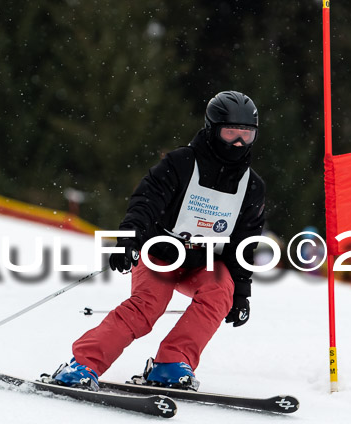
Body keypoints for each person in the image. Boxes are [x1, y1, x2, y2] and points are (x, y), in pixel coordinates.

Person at [49, 91, 266, 391]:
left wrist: (241, 293)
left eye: (247, 135)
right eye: (230, 133)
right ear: (212, 130)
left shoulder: (251, 186)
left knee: (220, 291)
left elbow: (244, 242)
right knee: (148, 306)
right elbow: (146, 203)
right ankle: (83, 364)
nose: (238, 143)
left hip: (202, 261)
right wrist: (129, 239)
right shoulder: (181, 163)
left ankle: (171, 364)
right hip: (160, 253)